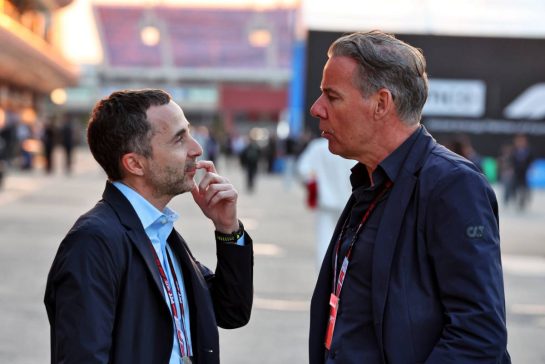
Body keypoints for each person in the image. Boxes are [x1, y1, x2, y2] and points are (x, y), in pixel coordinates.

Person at [308, 31, 510, 363]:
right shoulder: (371, 182)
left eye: (332, 96)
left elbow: (478, 335)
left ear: (381, 103)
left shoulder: (452, 186)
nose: (317, 109)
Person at [44, 89, 253, 364]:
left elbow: (231, 311)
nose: (197, 148)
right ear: (135, 163)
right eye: (179, 139)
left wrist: (228, 230)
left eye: (189, 133)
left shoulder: (160, 231)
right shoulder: (93, 242)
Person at [296, 137, 354, 270]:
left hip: (326, 202)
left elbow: (302, 168)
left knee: (324, 240)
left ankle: (325, 275)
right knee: (348, 241)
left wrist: (313, 182)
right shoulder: (350, 145)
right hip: (348, 201)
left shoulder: (318, 147)